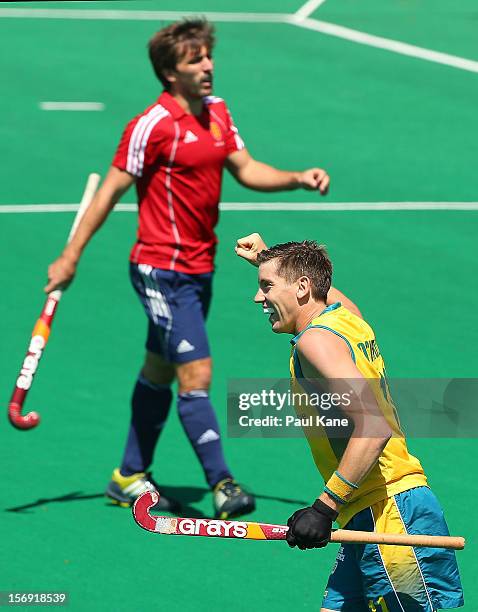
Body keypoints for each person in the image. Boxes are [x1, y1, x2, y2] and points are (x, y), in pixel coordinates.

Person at [44, 19, 330, 519]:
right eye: (195, 60)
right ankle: (223, 484)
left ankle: (128, 476)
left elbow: (245, 168)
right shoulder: (151, 125)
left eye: (208, 57)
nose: (207, 66)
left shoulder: (217, 113)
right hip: (160, 270)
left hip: (199, 269)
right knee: (195, 371)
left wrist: (295, 179)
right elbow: (110, 191)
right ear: (169, 72)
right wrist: (70, 256)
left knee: (159, 368)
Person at [235, 233, 464, 610]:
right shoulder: (346, 320)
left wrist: (323, 509)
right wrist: (267, 259)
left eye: (266, 286)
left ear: (302, 288)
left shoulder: (315, 343)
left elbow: (373, 427)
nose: (258, 298)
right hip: (364, 512)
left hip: (390, 511)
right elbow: (327, 296)